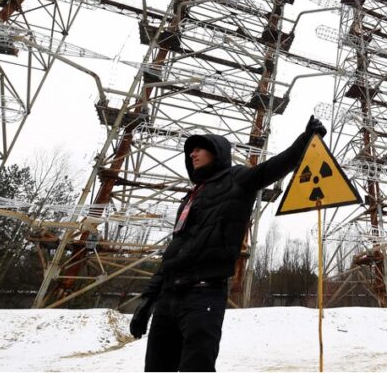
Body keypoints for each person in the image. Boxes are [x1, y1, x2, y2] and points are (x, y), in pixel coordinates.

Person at [129, 116, 328, 371]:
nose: (192, 154)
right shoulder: (190, 198)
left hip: (203, 295)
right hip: (168, 297)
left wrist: (304, 142)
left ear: (217, 151)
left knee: (196, 367)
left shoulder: (237, 179)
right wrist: (148, 299)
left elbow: (270, 169)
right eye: (190, 151)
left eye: (199, 149)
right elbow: (173, 252)